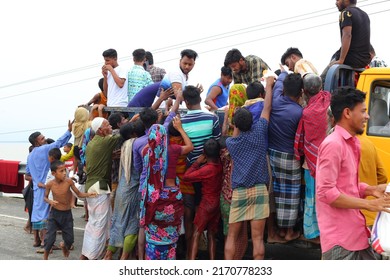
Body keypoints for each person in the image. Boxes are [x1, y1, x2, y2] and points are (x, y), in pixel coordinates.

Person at [316, 86, 390, 260]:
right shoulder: (333, 145)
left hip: (356, 233)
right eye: (363, 111)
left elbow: (346, 185)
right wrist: (369, 205)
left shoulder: (353, 143)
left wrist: (371, 189)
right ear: (348, 113)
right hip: (341, 242)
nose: (368, 116)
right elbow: (326, 192)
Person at [224, 74, 274, 260]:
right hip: (260, 190)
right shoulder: (260, 132)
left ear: (236, 125)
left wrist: (237, 116)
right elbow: (267, 107)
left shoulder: (232, 143)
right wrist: (268, 85)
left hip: (240, 192)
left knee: (232, 235)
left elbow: (236, 133)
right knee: (258, 238)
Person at [139, 120, 193, 260]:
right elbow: (190, 147)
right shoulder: (173, 149)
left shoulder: (146, 152)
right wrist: (180, 129)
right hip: (172, 197)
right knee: (170, 245)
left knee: (152, 241)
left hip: (153, 199)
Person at [178, 85, 221, 258]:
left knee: (190, 216)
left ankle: (190, 254)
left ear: (186, 103)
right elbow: (217, 143)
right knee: (211, 224)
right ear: (200, 99)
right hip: (211, 175)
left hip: (192, 173)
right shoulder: (212, 118)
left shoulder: (182, 122)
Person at [294, 73, 331, 242]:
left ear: (304, 92)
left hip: (311, 164)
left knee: (312, 196)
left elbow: (303, 141)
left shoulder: (307, 113)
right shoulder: (330, 101)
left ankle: (312, 233)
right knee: (328, 197)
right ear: (321, 88)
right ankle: (328, 229)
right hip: (330, 161)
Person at [80, 117, 123, 260]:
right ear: (100, 130)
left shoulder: (93, 143)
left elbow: (101, 157)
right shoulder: (105, 141)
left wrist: (111, 156)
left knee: (95, 221)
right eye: (107, 125)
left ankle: (87, 254)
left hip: (92, 186)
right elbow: (122, 133)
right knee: (99, 223)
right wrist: (130, 121)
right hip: (99, 187)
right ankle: (92, 256)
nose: (110, 126)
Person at [25, 121, 72, 248]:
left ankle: (37, 240)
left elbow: (27, 174)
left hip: (37, 188)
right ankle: (47, 243)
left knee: (37, 213)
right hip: (47, 187)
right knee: (47, 215)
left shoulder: (29, 156)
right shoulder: (45, 149)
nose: (44, 139)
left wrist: (36, 181)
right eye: (42, 138)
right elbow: (58, 143)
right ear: (36, 142)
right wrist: (69, 131)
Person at [268, 72, 303, 241]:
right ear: (300, 92)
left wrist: (284, 72)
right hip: (290, 157)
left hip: (272, 154)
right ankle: (289, 231)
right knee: (291, 195)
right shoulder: (299, 112)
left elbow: (280, 78)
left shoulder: (274, 100)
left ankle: (280, 230)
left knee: (277, 192)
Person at [103, 121, 145, 260]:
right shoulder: (138, 145)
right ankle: (124, 258)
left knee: (118, 222)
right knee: (132, 226)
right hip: (133, 192)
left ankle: (108, 255)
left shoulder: (124, 146)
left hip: (122, 190)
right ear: (133, 133)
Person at [43, 160, 96, 260]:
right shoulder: (50, 184)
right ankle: (45, 257)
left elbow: (78, 194)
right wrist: (50, 201)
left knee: (70, 240)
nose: (64, 173)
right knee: (49, 238)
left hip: (67, 214)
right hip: (54, 214)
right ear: (54, 173)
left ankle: (64, 247)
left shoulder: (68, 182)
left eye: (65, 170)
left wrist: (89, 194)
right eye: (61, 171)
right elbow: (45, 197)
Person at [183, 138, 223, 260]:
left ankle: (191, 262)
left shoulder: (206, 169)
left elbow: (186, 176)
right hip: (217, 203)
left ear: (204, 154)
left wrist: (197, 163)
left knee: (196, 233)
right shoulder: (220, 165)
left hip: (206, 203)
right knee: (211, 234)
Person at [127, 49, 198, 108]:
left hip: (162, 108)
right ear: (180, 62)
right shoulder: (176, 74)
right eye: (185, 63)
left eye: (190, 64)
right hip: (160, 109)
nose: (187, 66)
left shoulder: (184, 76)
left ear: (194, 64)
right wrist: (194, 95)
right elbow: (179, 97)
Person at [321, 0, 371, 80]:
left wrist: (341, 60)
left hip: (351, 58)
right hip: (363, 61)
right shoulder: (365, 15)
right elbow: (365, 39)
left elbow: (347, 35)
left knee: (323, 78)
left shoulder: (346, 13)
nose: (336, 3)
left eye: (338, 0)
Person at [357, 134, 388, 229]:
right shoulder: (368, 143)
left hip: (352, 212)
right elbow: (383, 175)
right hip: (373, 211)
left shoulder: (336, 143)